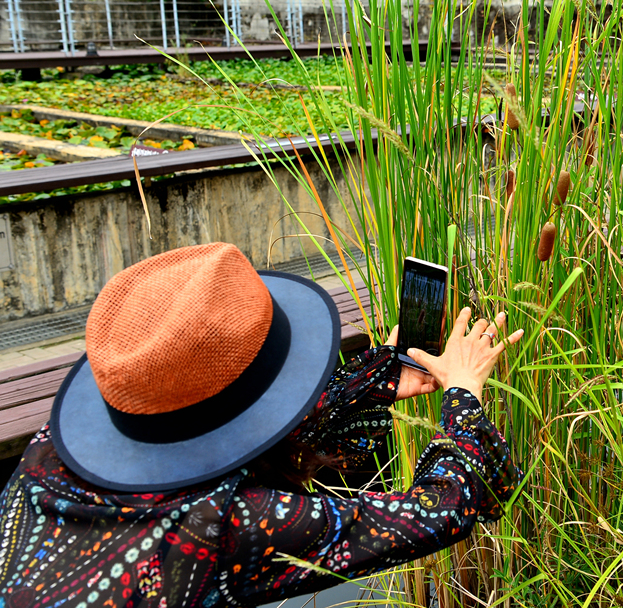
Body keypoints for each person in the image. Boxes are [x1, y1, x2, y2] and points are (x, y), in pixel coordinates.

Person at [0, 242, 524, 607]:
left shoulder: (48, 456)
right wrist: (462, 391)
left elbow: (218, 438)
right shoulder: (223, 525)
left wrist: (373, 382)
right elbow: (442, 509)